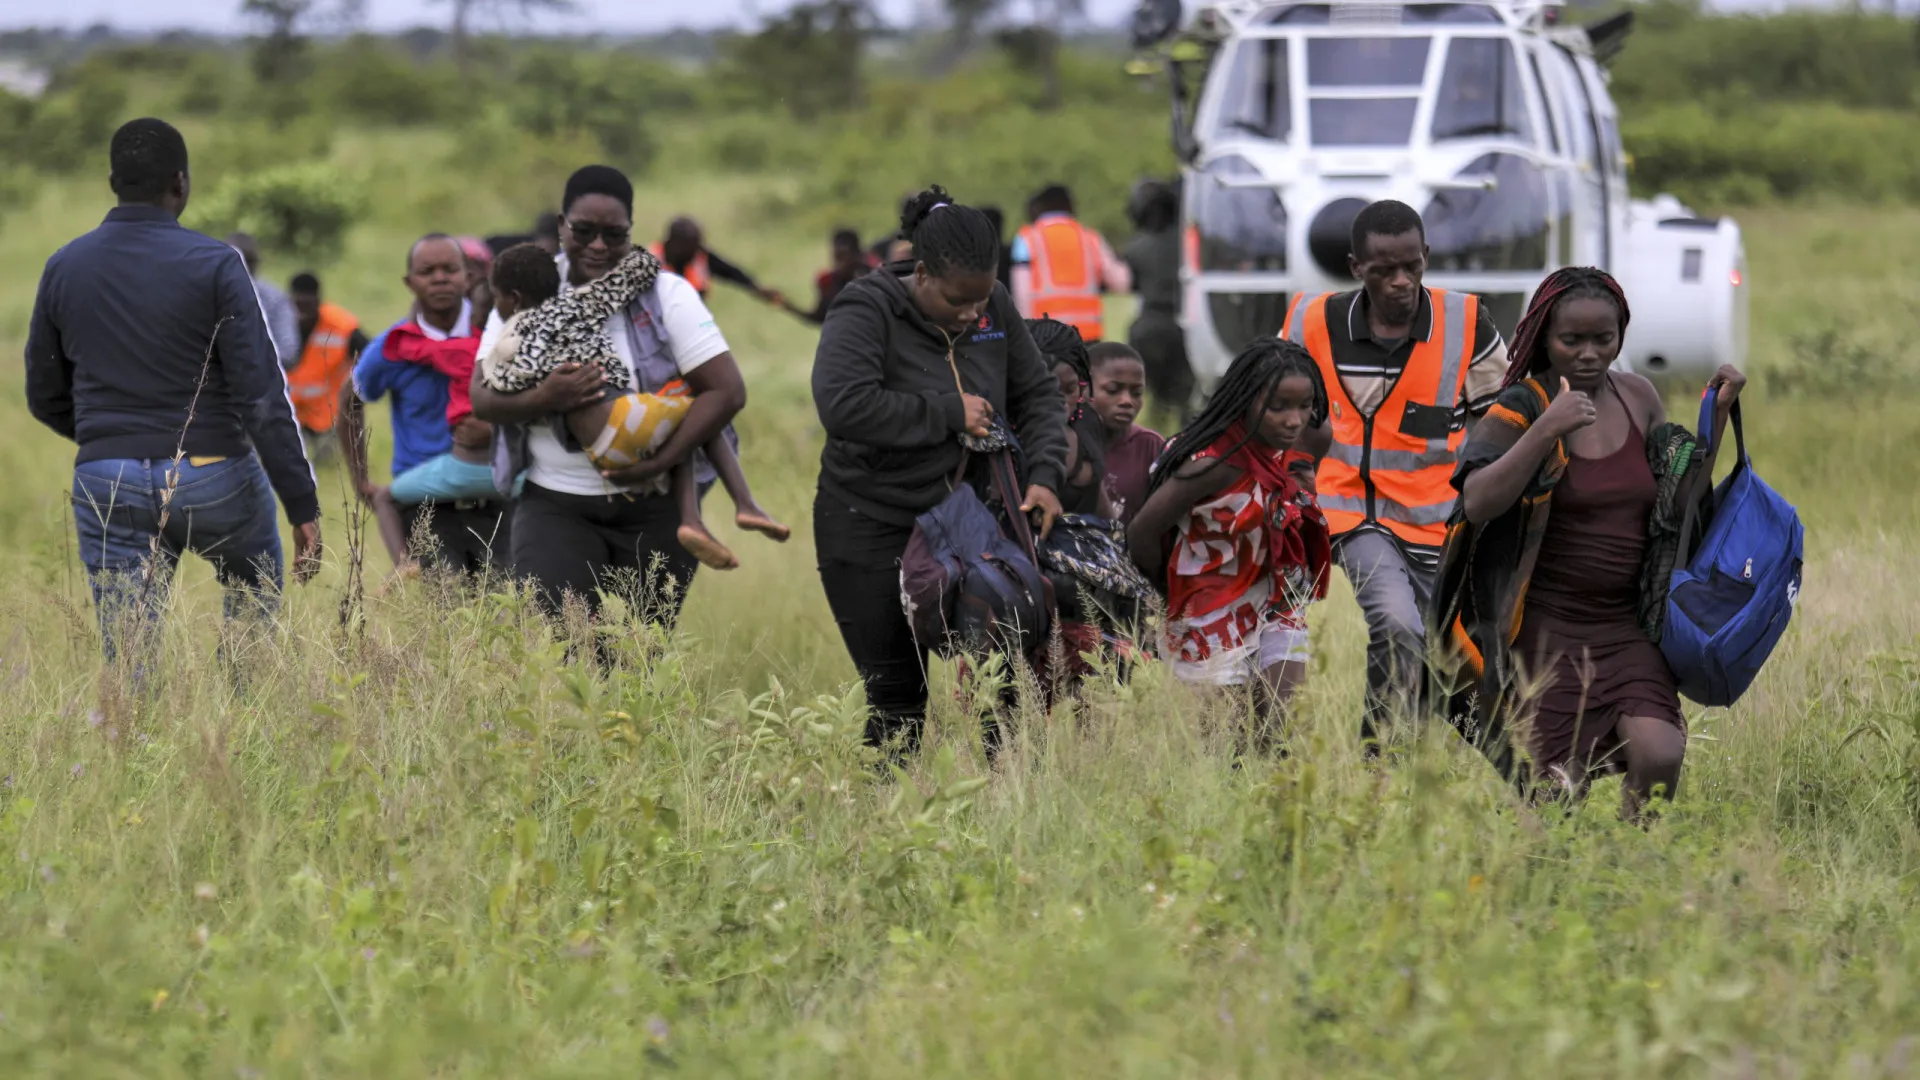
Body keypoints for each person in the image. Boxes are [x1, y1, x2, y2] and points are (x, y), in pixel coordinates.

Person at [1432, 268, 1745, 817]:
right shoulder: (1523, 404)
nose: (1588, 353)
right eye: (1570, 340)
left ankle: (1628, 873)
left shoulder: (1638, 397)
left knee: (1660, 754)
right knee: (1555, 795)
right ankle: (1556, 882)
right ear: (1544, 338)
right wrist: (1546, 429)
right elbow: (1477, 500)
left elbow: (1679, 501)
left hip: (1626, 626)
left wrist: (1715, 421)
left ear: (1621, 333)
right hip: (1545, 629)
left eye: (1603, 338)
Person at [26, 118, 322, 668]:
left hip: (106, 476)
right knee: (253, 589)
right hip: (214, 471)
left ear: (114, 180)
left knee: (129, 650)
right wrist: (301, 503)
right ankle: (246, 714)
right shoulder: (216, 263)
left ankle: (131, 736)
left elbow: (44, 393)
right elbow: (261, 394)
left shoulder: (64, 265)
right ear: (181, 184)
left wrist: (110, 436)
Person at [811, 185, 1068, 754]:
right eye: (957, 302)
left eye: (980, 303)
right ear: (921, 274)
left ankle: (1005, 812)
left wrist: (1046, 474)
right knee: (899, 700)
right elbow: (844, 405)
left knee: (1001, 683)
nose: (972, 314)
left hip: (965, 522)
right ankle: (887, 822)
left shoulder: (994, 302)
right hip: (867, 520)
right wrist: (947, 413)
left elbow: (1039, 396)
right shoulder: (865, 307)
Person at [469, 166, 752, 627]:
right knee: (568, 643)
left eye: (614, 234)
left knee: (644, 649)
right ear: (562, 225)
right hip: (555, 503)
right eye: (584, 231)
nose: (598, 246)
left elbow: (726, 390)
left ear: (631, 232)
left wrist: (658, 464)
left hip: (653, 508)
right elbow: (481, 399)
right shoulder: (531, 282)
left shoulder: (667, 293)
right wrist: (548, 395)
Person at [1280, 199, 1508, 747]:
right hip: (1350, 512)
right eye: (1384, 271)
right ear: (1357, 267)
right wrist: (1294, 476)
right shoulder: (1311, 322)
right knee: (1397, 623)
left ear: (1426, 256)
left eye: (1412, 266)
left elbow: (1500, 423)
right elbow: (1275, 409)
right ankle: (1380, 755)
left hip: (1437, 520)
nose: (1401, 281)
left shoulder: (1467, 321)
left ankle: (1492, 766)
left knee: (1461, 654)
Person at [480, 242, 786, 570]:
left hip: (603, 445)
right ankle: (730, 507)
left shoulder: (517, 335)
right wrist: (635, 252)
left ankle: (707, 515)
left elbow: (502, 384)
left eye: (495, 297)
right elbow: (626, 281)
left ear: (512, 298)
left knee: (679, 412)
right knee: (698, 404)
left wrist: (535, 387)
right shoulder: (579, 305)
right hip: (625, 427)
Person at [1126, 339, 1331, 750]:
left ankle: (1277, 807)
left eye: (1304, 405)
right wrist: (1171, 594)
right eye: (1278, 407)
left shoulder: (1310, 437)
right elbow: (1142, 533)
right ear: (1245, 401)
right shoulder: (1212, 464)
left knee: (1280, 728)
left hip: (1277, 595)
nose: (1294, 420)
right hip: (1208, 605)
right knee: (1227, 744)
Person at [339, 234, 511, 579]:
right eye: (427, 271)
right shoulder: (394, 346)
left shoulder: (495, 337)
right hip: (425, 505)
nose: (439, 278)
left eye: (450, 269)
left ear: (468, 277)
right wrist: (360, 478)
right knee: (445, 607)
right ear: (409, 282)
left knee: (511, 606)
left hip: (495, 496)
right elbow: (348, 401)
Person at [1011, 183, 1131, 343]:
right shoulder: (1091, 239)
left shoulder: (1027, 239)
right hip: (1087, 339)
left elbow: (1022, 293)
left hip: (1047, 338)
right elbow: (1121, 283)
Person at [1120, 179, 1194, 424]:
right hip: (1187, 328)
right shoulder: (1190, 243)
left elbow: (1125, 283)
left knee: (1156, 399)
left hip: (1148, 330)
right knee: (1186, 397)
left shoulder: (1135, 248)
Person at [1030, 317, 1116, 519]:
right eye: (1045, 390)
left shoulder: (1087, 420)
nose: (1059, 403)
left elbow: (1099, 497)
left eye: (1069, 390)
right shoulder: (1003, 436)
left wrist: (1120, 544)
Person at [286, 272, 367, 459]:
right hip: (288, 415)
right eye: (297, 305)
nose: (302, 313)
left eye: (307, 305)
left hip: (329, 418)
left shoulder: (340, 326)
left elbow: (371, 357)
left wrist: (355, 393)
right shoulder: (276, 322)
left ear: (318, 301)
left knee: (328, 461)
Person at [1085, 341, 1165, 524]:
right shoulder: (1065, 443)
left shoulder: (1150, 446)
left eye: (1136, 393)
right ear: (1084, 387)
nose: (1127, 401)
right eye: (1113, 390)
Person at [651, 216, 783, 308]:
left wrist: (755, 287)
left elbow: (731, 272)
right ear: (671, 243)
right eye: (689, 247)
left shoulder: (700, 256)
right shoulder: (647, 264)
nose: (696, 252)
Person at [226, 231, 302, 369]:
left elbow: (288, 351)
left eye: (248, 260)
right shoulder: (204, 294)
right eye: (235, 260)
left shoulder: (275, 300)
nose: (242, 266)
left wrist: (245, 358)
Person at [784, 228, 878, 326]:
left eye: (843, 257)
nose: (838, 265)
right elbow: (821, 317)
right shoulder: (828, 282)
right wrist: (785, 304)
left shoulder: (874, 279)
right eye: (836, 258)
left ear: (857, 255)